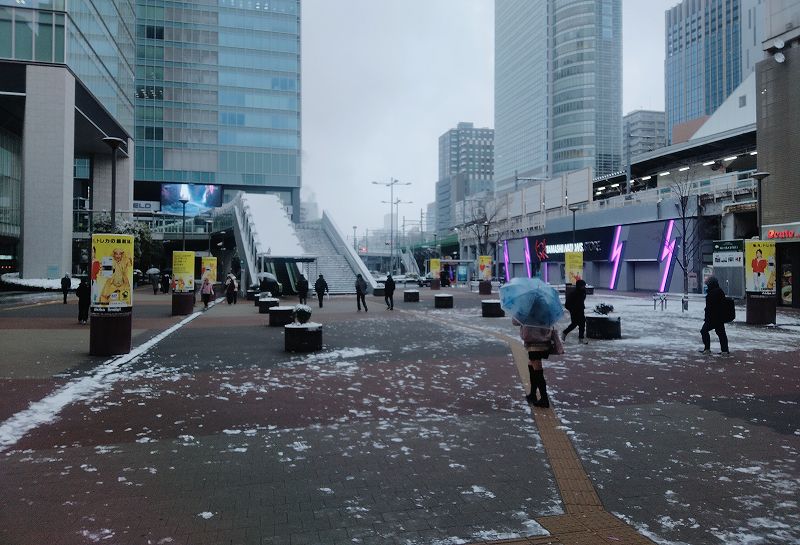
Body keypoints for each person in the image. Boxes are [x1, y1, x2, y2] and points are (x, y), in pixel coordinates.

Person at [514, 317, 564, 408]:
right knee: (531, 363)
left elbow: (515, 322)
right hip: (543, 340)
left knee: (537, 367)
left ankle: (544, 399)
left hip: (534, 342)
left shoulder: (526, 310)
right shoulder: (545, 309)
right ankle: (533, 394)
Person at [700, 276, 730, 356]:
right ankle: (724, 350)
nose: (707, 285)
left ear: (711, 284)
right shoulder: (718, 291)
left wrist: (708, 316)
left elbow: (711, 307)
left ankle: (707, 349)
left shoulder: (714, 292)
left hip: (713, 318)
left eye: (708, 283)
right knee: (721, 333)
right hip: (718, 317)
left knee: (704, 331)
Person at [562, 279, 588, 344]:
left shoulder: (583, 292)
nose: (584, 287)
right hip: (574, 312)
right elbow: (567, 304)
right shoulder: (573, 293)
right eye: (583, 285)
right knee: (574, 324)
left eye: (584, 285)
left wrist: (581, 307)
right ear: (579, 286)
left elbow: (582, 301)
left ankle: (581, 339)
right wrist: (572, 309)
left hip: (581, 310)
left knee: (582, 324)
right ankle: (564, 333)